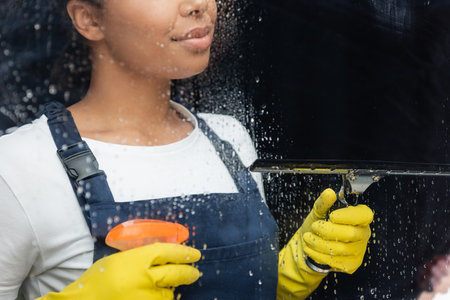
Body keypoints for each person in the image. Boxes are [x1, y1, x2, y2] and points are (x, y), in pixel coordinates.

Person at [0, 0, 374, 299]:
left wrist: (301, 268)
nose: (199, 5)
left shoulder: (231, 141)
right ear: (88, 19)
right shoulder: (20, 165)